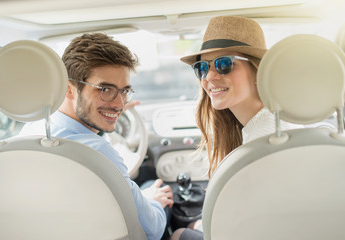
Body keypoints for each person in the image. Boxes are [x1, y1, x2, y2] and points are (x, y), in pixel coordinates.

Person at [19, 33, 173, 240]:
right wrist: (154, 201)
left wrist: (104, 106)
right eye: (105, 89)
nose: (119, 104)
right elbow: (151, 230)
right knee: (159, 190)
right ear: (68, 88)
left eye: (124, 91)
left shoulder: (29, 132)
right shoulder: (98, 153)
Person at [170, 15, 302, 240]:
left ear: (258, 71)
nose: (209, 77)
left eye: (224, 64)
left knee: (179, 232)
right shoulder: (271, 124)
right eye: (201, 68)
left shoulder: (262, 143)